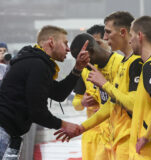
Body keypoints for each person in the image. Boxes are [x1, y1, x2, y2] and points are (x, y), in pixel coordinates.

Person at [55, 11, 143, 160]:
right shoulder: (124, 63)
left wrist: (104, 84)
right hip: (111, 139)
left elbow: (135, 105)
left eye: (108, 32)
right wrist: (81, 128)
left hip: (132, 142)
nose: (105, 38)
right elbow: (111, 105)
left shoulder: (138, 62)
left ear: (122, 32)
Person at [0, 25, 90, 159]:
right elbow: (37, 111)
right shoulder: (37, 64)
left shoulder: (35, 61)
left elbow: (58, 93)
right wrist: (63, 124)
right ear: (51, 41)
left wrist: (77, 68)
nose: (68, 48)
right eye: (65, 43)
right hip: (4, 132)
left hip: (9, 132)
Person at [72, 25, 123, 160]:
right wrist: (82, 102)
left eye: (100, 42)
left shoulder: (121, 64)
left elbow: (126, 101)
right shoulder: (85, 71)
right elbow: (76, 103)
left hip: (118, 131)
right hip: (93, 132)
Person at [129, 16, 151, 160]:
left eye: (131, 35)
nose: (129, 41)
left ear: (140, 36)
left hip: (150, 151)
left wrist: (146, 136)